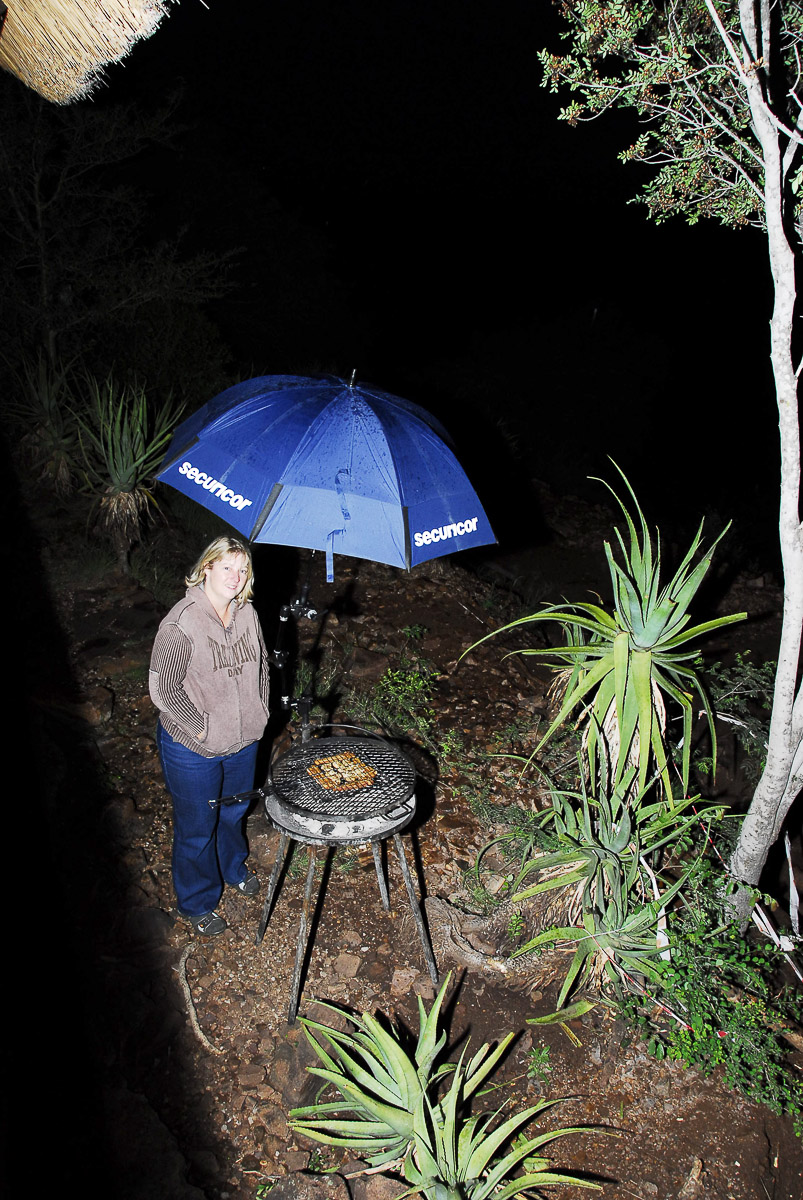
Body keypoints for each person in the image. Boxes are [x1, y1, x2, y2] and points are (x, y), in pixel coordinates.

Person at [149, 535, 270, 936]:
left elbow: (263, 667)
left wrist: (260, 710)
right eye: (227, 567)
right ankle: (197, 901)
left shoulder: (248, 614)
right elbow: (163, 690)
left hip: (242, 743)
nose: (235, 577)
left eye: (242, 569)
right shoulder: (181, 623)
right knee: (197, 825)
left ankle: (233, 869)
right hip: (192, 749)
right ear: (207, 568)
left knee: (233, 813)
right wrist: (201, 727)